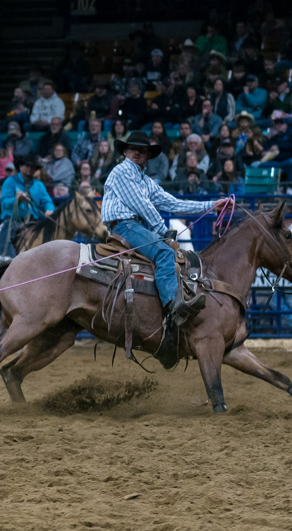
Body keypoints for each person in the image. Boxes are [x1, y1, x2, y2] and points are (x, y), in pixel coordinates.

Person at [100, 130, 234, 369]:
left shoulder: (144, 180)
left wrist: (210, 205)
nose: (138, 153)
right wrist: (164, 231)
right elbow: (142, 204)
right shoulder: (122, 171)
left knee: (165, 252)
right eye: (134, 149)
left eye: (143, 151)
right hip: (125, 225)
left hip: (133, 225)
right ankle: (173, 307)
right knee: (165, 253)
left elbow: (171, 202)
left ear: (148, 156)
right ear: (126, 151)